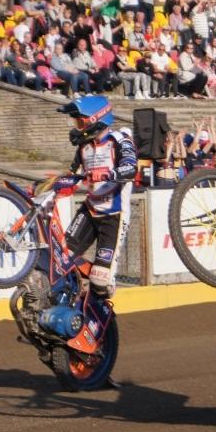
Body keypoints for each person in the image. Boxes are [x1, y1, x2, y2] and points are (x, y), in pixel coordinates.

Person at [54, 96, 137, 298]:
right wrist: (48, 186)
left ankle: (102, 287)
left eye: (79, 121)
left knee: (100, 281)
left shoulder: (119, 140)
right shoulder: (83, 147)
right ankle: (74, 292)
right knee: (61, 256)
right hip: (89, 210)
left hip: (114, 216)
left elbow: (131, 168)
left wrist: (109, 174)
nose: (76, 127)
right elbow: (72, 176)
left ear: (95, 119)